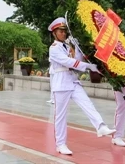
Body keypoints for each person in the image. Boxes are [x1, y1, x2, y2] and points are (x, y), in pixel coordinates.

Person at [48, 17, 116, 155]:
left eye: (64, 31)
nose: (63, 33)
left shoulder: (67, 46)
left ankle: (100, 126)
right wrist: (89, 66)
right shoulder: (54, 48)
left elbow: (76, 61)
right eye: (60, 31)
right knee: (61, 116)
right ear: (54, 33)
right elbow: (69, 63)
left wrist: (78, 49)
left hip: (72, 81)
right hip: (61, 84)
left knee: (87, 103)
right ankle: (60, 144)